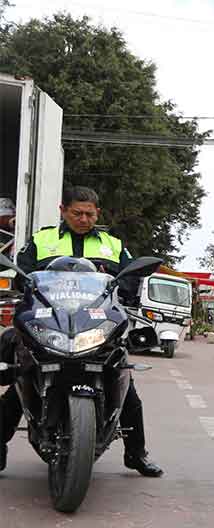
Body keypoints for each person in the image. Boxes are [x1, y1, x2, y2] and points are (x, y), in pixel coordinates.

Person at [0, 186, 163, 476]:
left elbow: (128, 280)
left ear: (97, 213)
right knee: (22, 379)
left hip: (96, 324)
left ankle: (136, 453)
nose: (84, 218)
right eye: (77, 213)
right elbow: (22, 278)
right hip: (51, 323)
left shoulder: (112, 245)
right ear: (63, 210)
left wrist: (122, 294)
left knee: (125, 387)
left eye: (89, 213)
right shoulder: (42, 240)